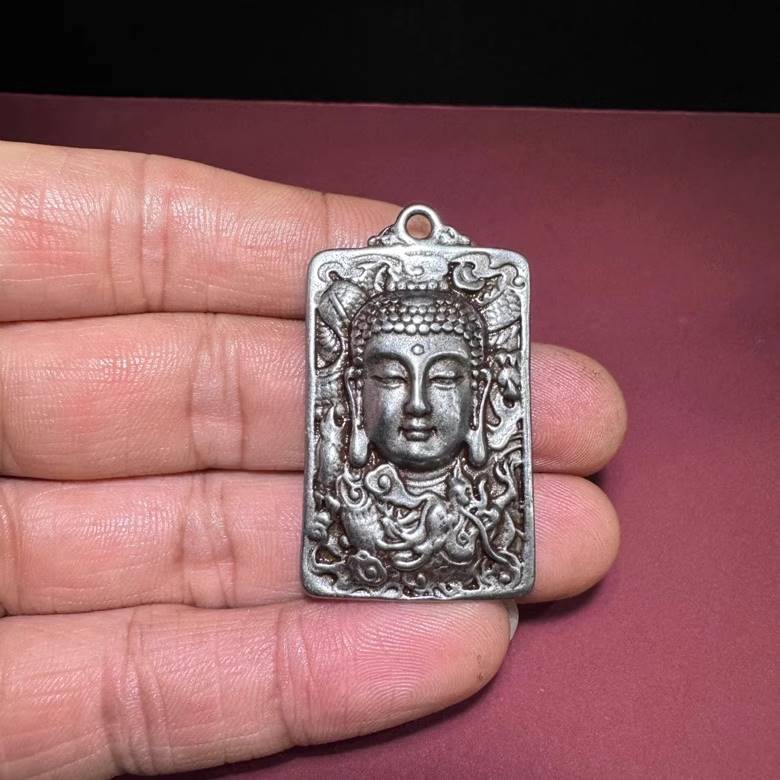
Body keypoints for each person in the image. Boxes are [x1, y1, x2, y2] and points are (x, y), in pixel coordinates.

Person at [0, 140, 626, 778]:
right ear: (352, 393)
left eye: (443, 378)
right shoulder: (347, 516)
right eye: (390, 376)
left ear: (482, 393)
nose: (416, 403)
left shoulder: (490, 526)